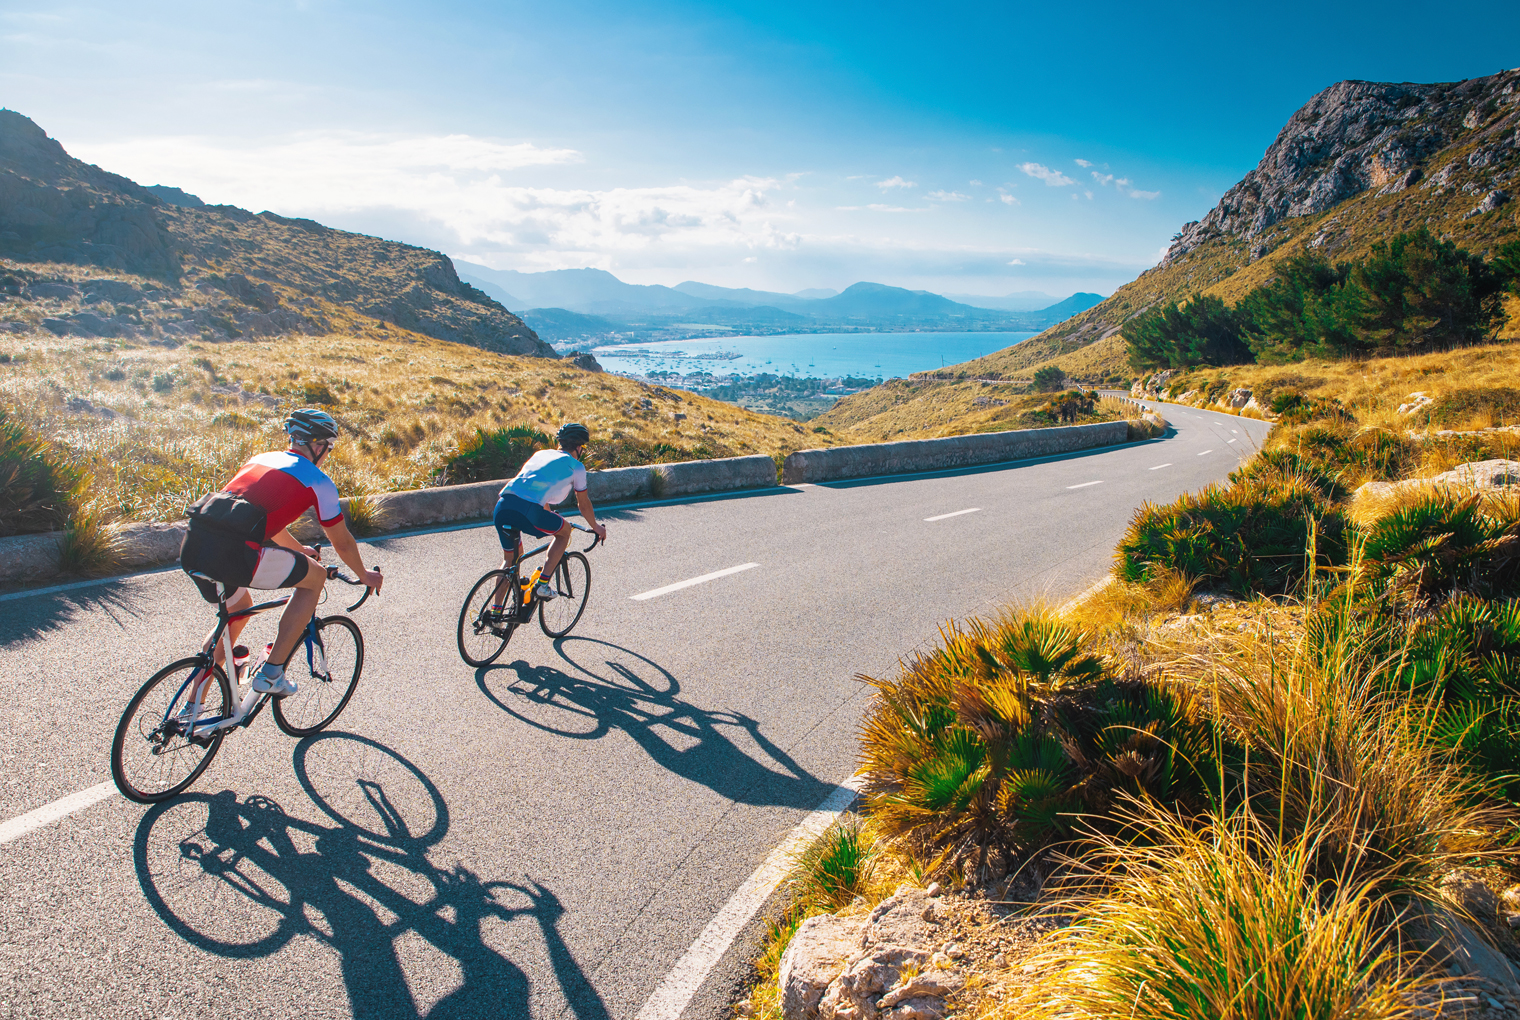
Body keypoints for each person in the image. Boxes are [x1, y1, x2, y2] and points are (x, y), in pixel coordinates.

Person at [179, 408, 384, 697]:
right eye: (329, 448)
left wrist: (299, 550)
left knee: (237, 613)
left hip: (194, 544)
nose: (328, 454)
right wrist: (364, 575)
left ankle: (191, 712)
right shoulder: (318, 481)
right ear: (317, 445)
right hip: (235, 552)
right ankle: (273, 672)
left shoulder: (260, 459)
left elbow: (260, 517)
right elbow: (343, 542)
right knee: (315, 579)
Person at [489, 422, 607, 615]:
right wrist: (596, 527)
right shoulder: (576, 467)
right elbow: (583, 503)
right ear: (578, 447)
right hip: (527, 510)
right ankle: (542, 585)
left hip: (502, 506)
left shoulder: (540, 454)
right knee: (564, 532)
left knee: (510, 560)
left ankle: (495, 612)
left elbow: (533, 488)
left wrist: (549, 514)